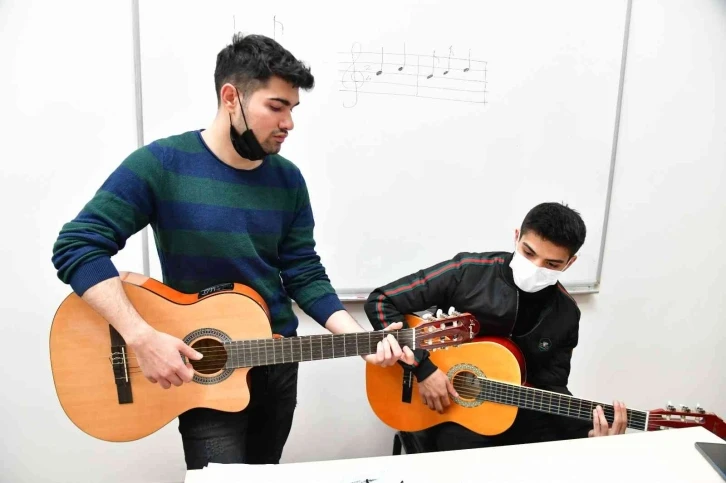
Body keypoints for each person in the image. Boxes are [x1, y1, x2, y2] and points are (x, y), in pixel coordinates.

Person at [51, 33, 414, 469]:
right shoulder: (162, 165)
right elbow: (77, 245)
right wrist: (140, 336)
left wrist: (360, 342)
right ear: (231, 98)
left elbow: (303, 272)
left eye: (293, 109)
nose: (288, 123)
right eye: (276, 106)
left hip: (277, 365)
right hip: (203, 370)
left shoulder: (288, 180)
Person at [363, 202, 627, 451]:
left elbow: (550, 388)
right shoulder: (468, 272)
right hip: (442, 410)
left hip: (510, 411)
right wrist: (423, 369)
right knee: (464, 452)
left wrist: (587, 435)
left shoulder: (566, 313)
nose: (535, 267)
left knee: (565, 445)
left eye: (551, 264)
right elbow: (382, 301)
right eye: (528, 253)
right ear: (516, 237)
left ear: (570, 263)